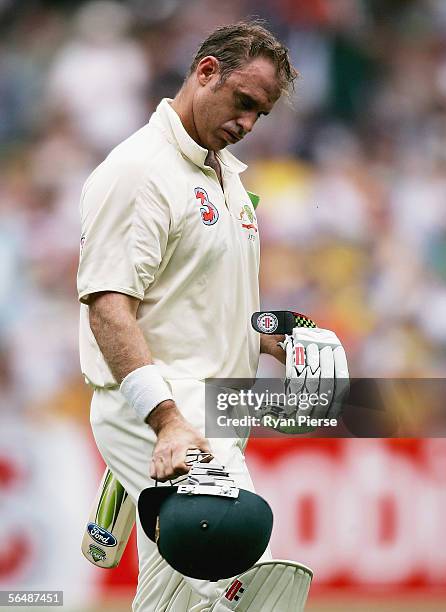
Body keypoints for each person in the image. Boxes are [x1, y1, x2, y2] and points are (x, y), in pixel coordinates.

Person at [77, 20, 310, 611]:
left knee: (170, 605)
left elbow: (209, 297)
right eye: (243, 103)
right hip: (176, 410)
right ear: (206, 72)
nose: (249, 125)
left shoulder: (222, 173)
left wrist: (280, 334)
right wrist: (165, 421)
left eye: (261, 114)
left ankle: (129, 491)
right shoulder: (139, 171)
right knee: (242, 576)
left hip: (218, 402)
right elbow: (109, 307)